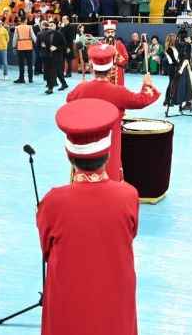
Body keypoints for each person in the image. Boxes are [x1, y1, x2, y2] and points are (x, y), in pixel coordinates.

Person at [38, 98, 139, 335]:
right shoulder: (128, 195)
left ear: (69, 155)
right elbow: (128, 234)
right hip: (114, 289)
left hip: (69, 292)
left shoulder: (53, 201)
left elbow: (46, 249)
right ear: (107, 153)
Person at [66, 44, 160, 181]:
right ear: (111, 70)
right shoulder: (119, 92)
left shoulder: (81, 89)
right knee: (110, 173)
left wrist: (83, 86)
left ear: (92, 68)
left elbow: (69, 99)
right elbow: (142, 100)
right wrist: (147, 84)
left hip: (85, 144)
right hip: (110, 143)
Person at [42, 21, 69, 94]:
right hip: (48, 56)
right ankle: (64, 84)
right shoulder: (46, 34)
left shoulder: (59, 34)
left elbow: (64, 45)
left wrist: (56, 48)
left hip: (57, 56)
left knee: (53, 72)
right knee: (58, 71)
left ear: (55, 26)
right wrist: (44, 46)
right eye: (50, 26)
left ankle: (50, 88)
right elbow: (45, 44)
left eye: (52, 25)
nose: (51, 27)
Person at [101, 20, 129, 86]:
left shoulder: (120, 44)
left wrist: (115, 55)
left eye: (112, 32)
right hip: (104, 72)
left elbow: (126, 59)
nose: (110, 34)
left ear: (115, 33)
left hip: (117, 71)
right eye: (108, 32)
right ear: (105, 33)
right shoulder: (100, 44)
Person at [13, 17, 35, 84]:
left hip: (20, 47)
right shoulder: (29, 27)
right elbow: (33, 37)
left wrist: (14, 46)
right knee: (30, 64)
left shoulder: (17, 28)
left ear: (20, 21)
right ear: (25, 21)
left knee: (21, 64)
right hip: (29, 47)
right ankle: (30, 79)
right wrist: (37, 42)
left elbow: (15, 38)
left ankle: (21, 79)